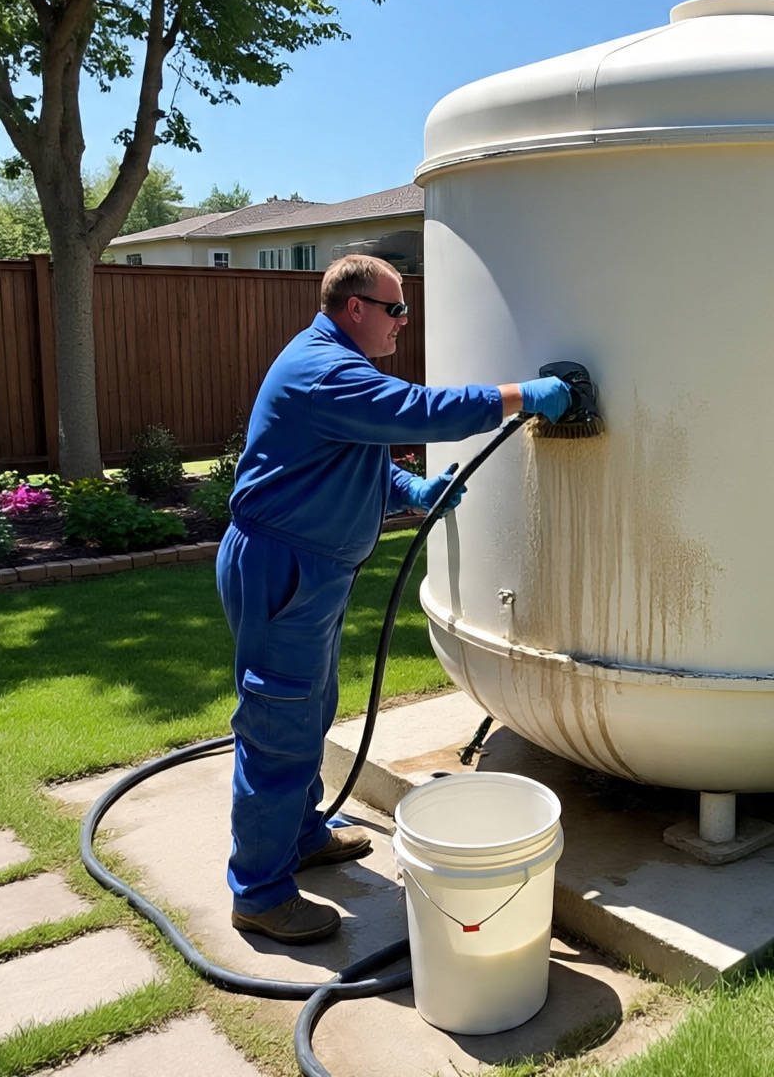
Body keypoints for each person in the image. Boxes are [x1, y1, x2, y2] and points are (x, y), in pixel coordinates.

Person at [218, 254, 572, 944]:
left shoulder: (335, 365)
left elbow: (347, 454)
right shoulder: (327, 370)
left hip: (307, 572)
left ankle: (300, 833)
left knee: (309, 709)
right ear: (355, 308)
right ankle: (259, 893)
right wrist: (523, 395)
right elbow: (420, 411)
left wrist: (409, 490)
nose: (405, 322)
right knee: (280, 725)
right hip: (283, 569)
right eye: (396, 308)